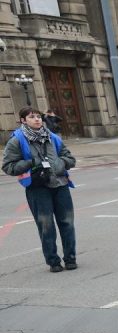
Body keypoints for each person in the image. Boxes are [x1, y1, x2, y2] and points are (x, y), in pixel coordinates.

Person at [3, 106, 77, 273]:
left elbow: (70, 158)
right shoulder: (17, 140)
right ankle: (53, 261)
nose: (37, 119)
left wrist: (61, 163)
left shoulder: (53, 137)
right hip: (37, 187)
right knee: (46, 225)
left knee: (67, 223)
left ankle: (70, 258)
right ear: (23, 120)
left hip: (60, 183)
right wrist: (30, 163)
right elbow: (8, 166)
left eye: (38, 116)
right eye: (31, 117)